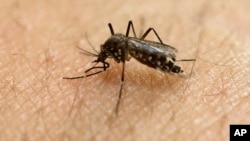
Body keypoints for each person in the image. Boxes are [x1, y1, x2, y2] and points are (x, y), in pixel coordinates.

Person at [0, 0, 249, 140]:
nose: (102, 59)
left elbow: (122, 53)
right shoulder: (111, 47)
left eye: (102, 57)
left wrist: (120, 86)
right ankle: (167, 58)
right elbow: (114, 51)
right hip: (136, 48)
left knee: (137, 41)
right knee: (136, 38)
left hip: (141, 50)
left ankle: (167, 65)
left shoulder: (116, 48)